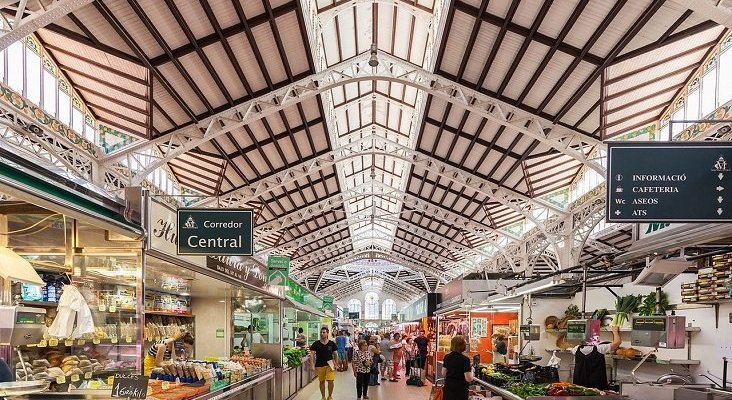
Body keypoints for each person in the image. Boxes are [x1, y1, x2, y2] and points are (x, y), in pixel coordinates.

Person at [569, 325, 621, 390]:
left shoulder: (576, 349)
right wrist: (615, 331)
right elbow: (617, 342)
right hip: (597, 386)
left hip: (579, 386)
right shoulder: (600, 349)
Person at [310, 326, 338, 400]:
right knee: (321, 381)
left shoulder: (332, 343)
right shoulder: (316, 344)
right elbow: (312, 354)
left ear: (327, 333)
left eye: (324, 332)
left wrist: (336, 363)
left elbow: (335, 354)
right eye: (321, 332)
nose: (322, 334)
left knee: (331, 380)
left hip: (330, 364)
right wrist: (312, 365)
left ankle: (330, 395)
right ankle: (323, 396)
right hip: (319, 364)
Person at [441, 336, 474, 400]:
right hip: (460, 390)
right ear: (463, 346)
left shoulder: (447, 357)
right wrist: (472, 371)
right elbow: (468, 378)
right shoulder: (465, 359)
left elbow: (443, 373)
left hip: (448, 388)